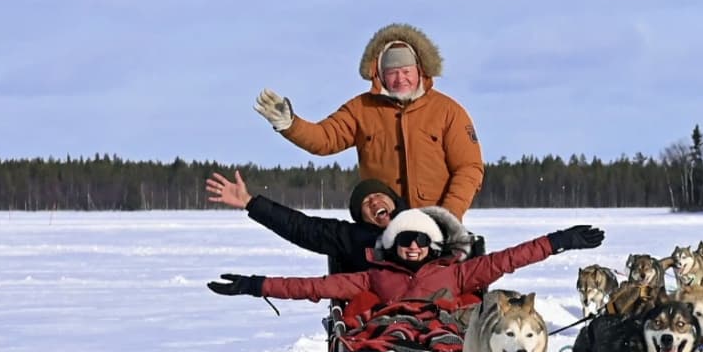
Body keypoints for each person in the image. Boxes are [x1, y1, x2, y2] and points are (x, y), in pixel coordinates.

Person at [253, 23, 484, 220]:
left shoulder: (448, 111)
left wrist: (448, 216)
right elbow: (324, 139)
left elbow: (468, 169)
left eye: (406, 71)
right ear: (380, 74)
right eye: (392, 72)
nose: (400, 78)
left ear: (420, 70)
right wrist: (290, 124)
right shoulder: (361, 109)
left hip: (434, 226)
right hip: (381, 227)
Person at [207, 209, 604, 316]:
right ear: (392, 245)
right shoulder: (373, 278)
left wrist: (559, 241)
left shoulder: (459, 272)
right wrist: (256, 284)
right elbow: (313, 288)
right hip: (389, 341)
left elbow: (512, 258)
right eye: (404, 240)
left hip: (443, 344)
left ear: (431, 246)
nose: (412, 247)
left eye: (419, 241)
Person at [205, 170, 476, 272]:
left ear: (395, 202)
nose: (374, 202)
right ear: (362, 217)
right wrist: (252, 203)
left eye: (380, 196)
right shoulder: (352, 237)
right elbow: (302, 227)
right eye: (366, 204)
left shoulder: (427, 224)